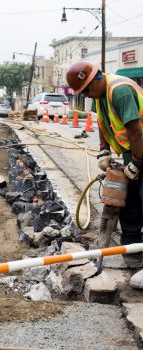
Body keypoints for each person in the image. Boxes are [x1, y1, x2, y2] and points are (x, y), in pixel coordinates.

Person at [66, 61, 143, 289]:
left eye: (87, 90)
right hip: (134, 150)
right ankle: (132, 249)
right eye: (84, 93)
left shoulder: (119, 91)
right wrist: (104, 150)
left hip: (141, 146)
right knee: (129, 201)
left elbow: (135, 131)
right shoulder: (100, 97)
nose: (88, 95)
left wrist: (137, 163)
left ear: (96, 79)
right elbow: (102, 123)